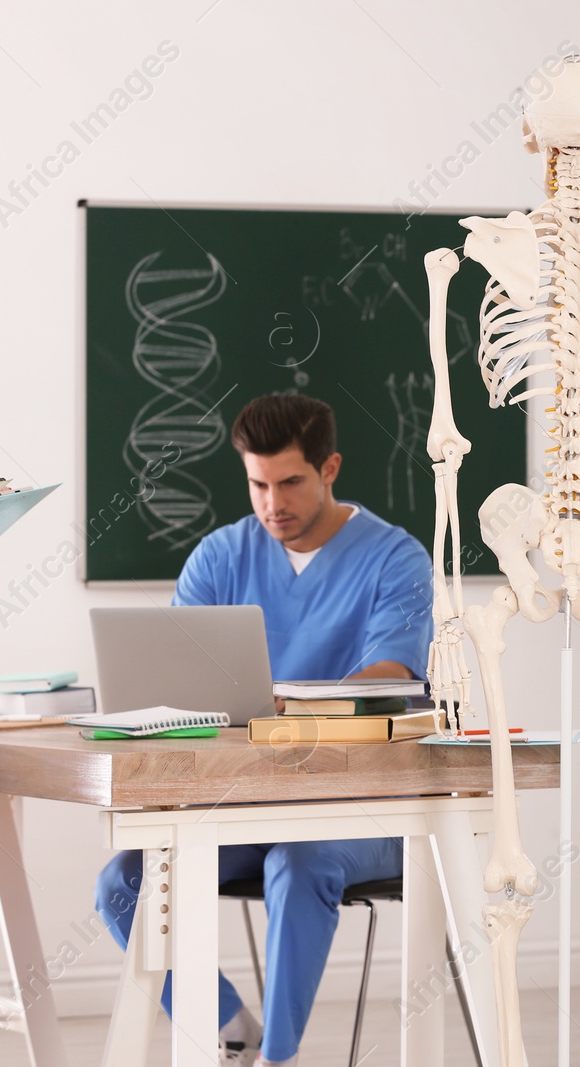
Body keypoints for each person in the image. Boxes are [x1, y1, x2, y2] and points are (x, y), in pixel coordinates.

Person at [94, 393, 430, 1067]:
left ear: (330, 467)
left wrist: (293, 705)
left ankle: (279, 1057)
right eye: (257, 483)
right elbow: (174, 681)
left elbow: (392, 676)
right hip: (244, 806)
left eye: (290, 482)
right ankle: (233, 1025)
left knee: (298, 860)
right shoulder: (220, 558)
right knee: (125, 879)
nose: (273, 502)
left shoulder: (395, 558)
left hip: (362, 809)